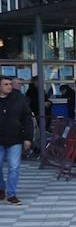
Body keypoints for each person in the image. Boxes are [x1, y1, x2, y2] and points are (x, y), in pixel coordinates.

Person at [0, 74, 34, 203]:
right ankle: (1, 188)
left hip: (15, 139)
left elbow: (27, 119)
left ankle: (11, 194)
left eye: (10, 84)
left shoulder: (19, 98)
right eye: (6, 84)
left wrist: (27, 138)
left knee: (14, 167)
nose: (9, 86)